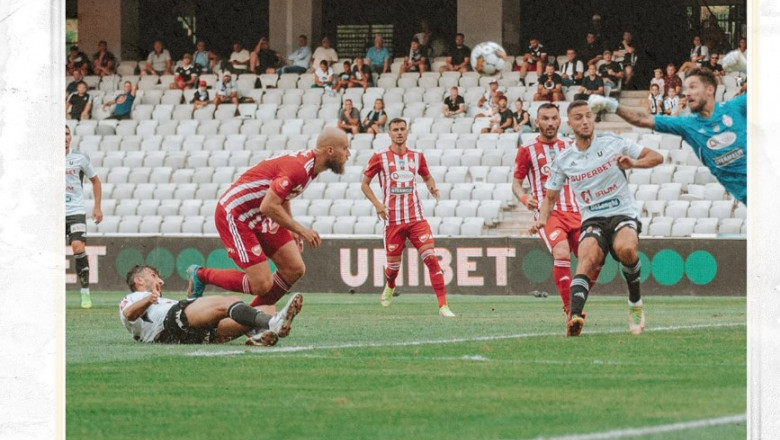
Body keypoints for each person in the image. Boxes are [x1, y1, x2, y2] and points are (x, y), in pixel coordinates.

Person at [531, 101, 664, 336]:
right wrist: (542, 219)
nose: (585, 121)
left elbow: (656, 157)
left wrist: (634, 163)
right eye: (579, 117)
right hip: (593, 219)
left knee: (626, 250)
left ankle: (635, 302)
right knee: (586, 259)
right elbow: (550, 197)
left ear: (593, 120)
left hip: (621, 212)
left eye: (588, 116)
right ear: (570, 123)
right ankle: (574, 318)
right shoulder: (564, 159)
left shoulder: (613, 142)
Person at [186, 127, 351, 315]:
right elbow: (268, 205)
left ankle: (254, 318)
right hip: (236, 214)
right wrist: (301, 229)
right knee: (262, 284)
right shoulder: (299, 168)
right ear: (330, 150)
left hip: (261, 214)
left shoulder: (311, 167)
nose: (348, 153)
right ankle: (201, 275)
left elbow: (282, 196)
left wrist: (291, 227)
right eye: (345, 148)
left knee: (294, 269)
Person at [589, 66, 746, 205]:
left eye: (693, 87)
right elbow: (642, 119)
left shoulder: (736, 106)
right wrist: (611, 105)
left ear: (710, 90)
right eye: (686, 88)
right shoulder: (687, 124)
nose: (687, 93)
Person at [361, 118, 455, 317]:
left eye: (402, 129)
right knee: (393, 268)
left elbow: (427, 176)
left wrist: (432, 186)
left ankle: (443, 306)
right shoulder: (379, 157)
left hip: (416, 219)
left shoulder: (417, 157)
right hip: (393, 221)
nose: (399, 133)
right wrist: (378, 204)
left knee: (431, 259)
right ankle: (390, 285)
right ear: (389, 133)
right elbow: (364, 184)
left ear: (407, 131)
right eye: (395, 129)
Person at [514, 104, 584, 319]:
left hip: (576, 213)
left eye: (554, 118)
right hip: (549, 215)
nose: (550, 123)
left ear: (560, 121)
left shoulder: (571, 146)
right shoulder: (527, 150)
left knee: (590, 260)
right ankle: (571, 312)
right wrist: (525, 198)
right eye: (545, 118)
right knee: (561, 253)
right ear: (537, 122)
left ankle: (577, 303)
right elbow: (516, 184)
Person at [119, 265, 303, 347]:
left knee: (266, 307)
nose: (161, 281)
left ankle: (261, 334)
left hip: (193, 336)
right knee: (226, 302)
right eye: (154, 276)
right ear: (139, 280)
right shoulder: (133, 297)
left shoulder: (157, 300)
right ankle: (273, 324)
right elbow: (129, 315)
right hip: (170, 323)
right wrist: (148, 299)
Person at [65, 125, 102, 309]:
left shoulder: (79, 157)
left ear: (70, 137)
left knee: (78, 246)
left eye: (67, 134)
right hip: (52, 212)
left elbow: (95, 180)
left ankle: (85, 293)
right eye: (60, 135)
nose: (64, 138)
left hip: (75, 210)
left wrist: (97, 207)